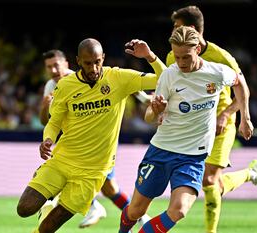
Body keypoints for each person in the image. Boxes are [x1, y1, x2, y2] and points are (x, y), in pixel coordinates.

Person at [17, 38, 166, 233]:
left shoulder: (119, 78)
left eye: (97, 61)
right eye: (88, 63)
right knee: (24, 208)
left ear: (103, 58)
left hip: (93, 172)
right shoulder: (65, 85)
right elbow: (54, 122)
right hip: (62, 160)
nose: (94, 68)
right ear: (78, 61)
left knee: (48, 228)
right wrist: (48, 139)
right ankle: (50, 203)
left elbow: (164, 77)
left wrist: (149, 56)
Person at [118, 26, 253, 233]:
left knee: (179, 210)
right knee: (135, 211)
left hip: (193, 156)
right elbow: (149, 117)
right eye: (176, 57)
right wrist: (155, 110)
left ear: (197, 49)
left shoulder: (216, 72)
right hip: (161, 151)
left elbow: (239, 82)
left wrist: (245, 118)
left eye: (185, 57)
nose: (180, 63)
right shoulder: (169, 76)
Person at [166, 6, 257, 233]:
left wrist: (235, 116)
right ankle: (250, 173)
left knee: (209, 179)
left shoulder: (221, 57)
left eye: (177, 26)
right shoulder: (172, 56)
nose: (173, 31)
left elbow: (243, 90)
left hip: (221, 126)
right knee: (212, 183)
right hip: (192, 128)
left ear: (191, 29)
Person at [38, 50, 151, 229]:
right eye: (49, 67)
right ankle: (137, 217)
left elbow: (127, 83)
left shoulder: (77, 79)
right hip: (74, 145)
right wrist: (44, 108)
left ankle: (98, 208)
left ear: (66, 64)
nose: (53, 70)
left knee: (103, 187)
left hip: (97, 146)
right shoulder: (50, 86)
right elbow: (47, 121)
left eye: (56, 65)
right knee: (109, 189)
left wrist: (145, 99)